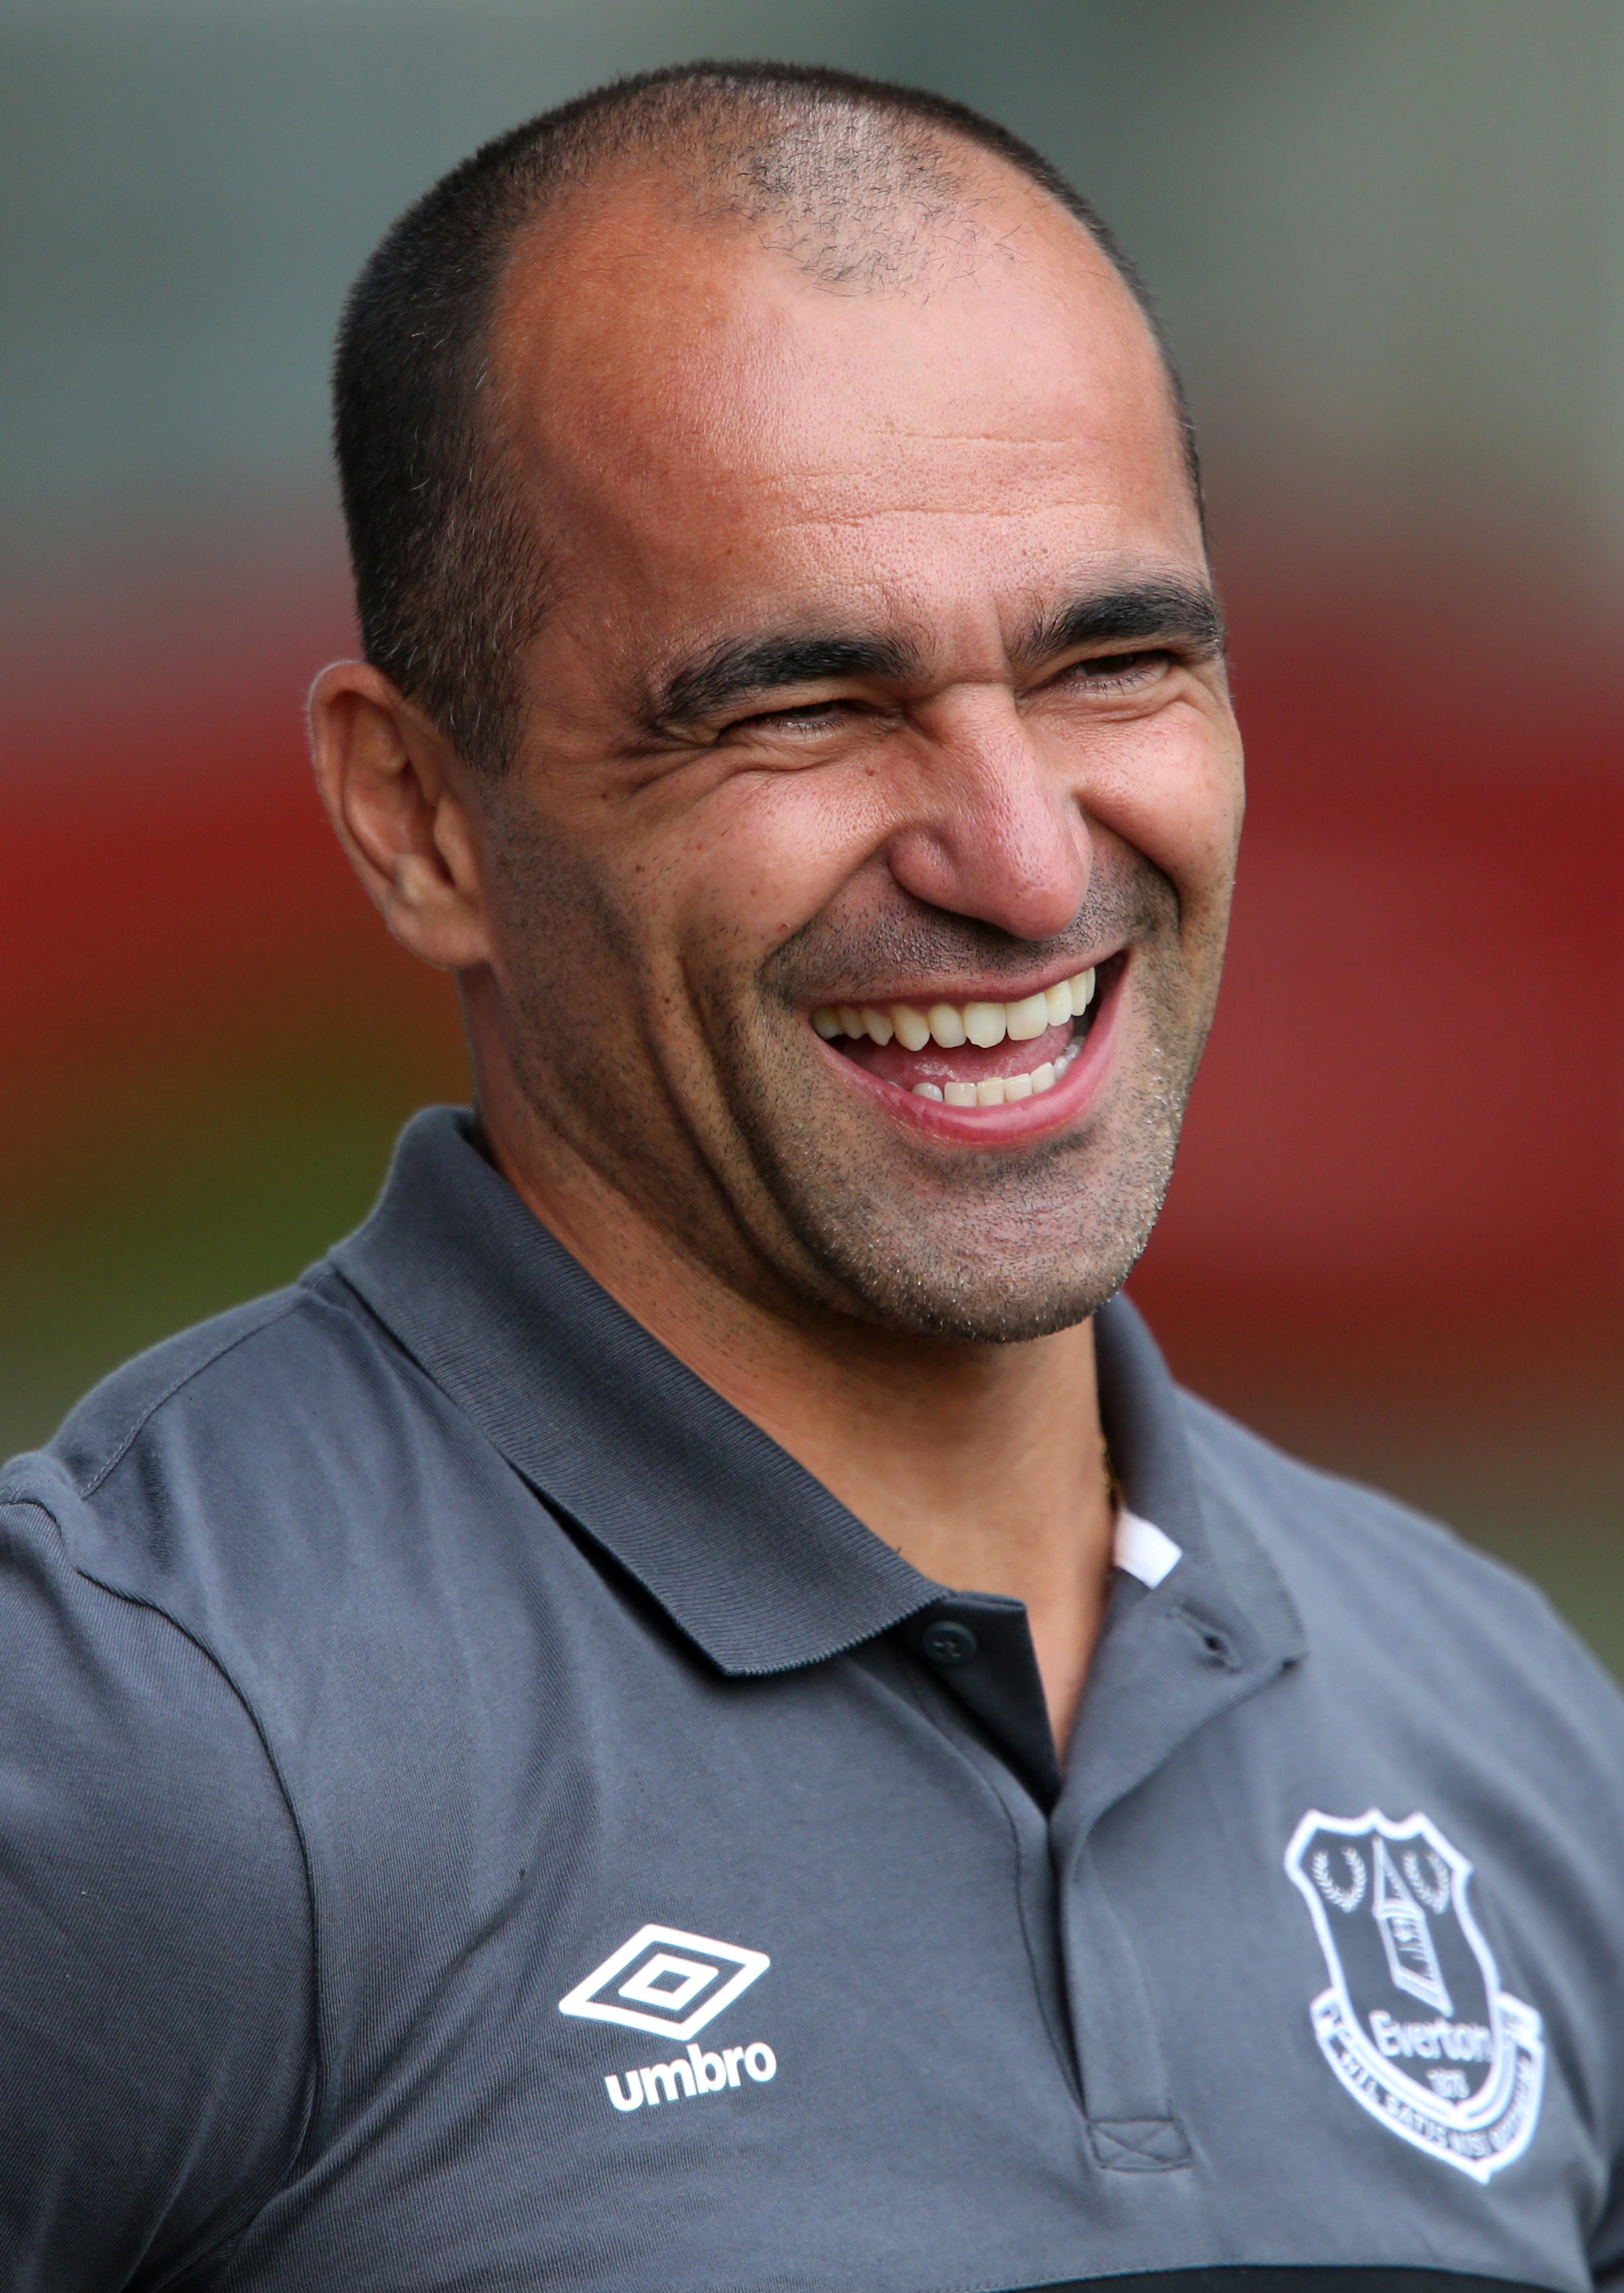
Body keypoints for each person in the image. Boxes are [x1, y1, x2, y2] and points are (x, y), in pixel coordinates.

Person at [3, 60, 1621, 2293]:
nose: (1028, 856)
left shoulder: (1506, 1724)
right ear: (419, 816)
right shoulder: (134, 1732)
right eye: (800, 707)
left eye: (1117, 660)